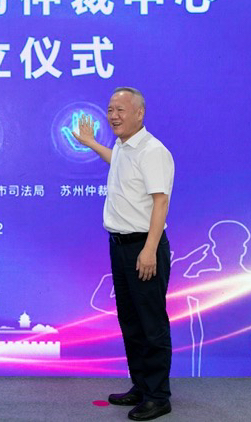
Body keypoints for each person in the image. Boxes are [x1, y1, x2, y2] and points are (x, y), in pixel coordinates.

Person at [73, 87, 175, 421]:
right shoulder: (123, 147)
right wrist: (91, 143)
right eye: (110, 110)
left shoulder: (152, 151)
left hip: (143, 247)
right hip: (119, 246)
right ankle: (141, 386)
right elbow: (116, 161)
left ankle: (158, 396)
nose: (113, 116)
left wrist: (149, 250)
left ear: (139, 113)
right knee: (130, 321)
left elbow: (161, 201)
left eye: (121, 110)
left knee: (151, 323)